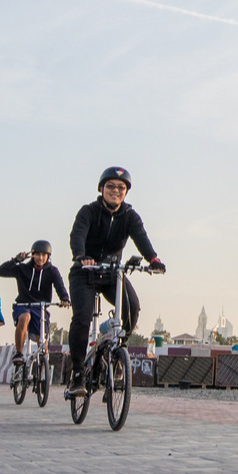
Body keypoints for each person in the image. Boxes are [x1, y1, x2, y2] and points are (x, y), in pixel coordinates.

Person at [66, 168, 163, 396]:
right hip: (85, 271)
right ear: (101, 189)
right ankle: (78, 373)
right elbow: (77, 235)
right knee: (81, 318)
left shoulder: (130, 216)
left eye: (121, 187)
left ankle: (116, 349)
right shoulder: (88, 211)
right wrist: (81, 256)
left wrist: (153, 259)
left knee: (132, 308)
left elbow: (141, 237)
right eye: (110, 186)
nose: (115, 191)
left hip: (112, 273)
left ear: (126, 192)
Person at [0, 240, 69, 366]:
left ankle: (41, 375)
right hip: (23, 305)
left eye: (44, 255)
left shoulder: (52, 271)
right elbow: (0, 271)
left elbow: (60, 286)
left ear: (48, 256)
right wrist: (16, 260)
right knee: (25, 317)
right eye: (38, 254)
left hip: (40, 308)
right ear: (32, 255)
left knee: (42, 342)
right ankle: (19, 354)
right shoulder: (22, 269)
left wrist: (65, 298)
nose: (40, 258)